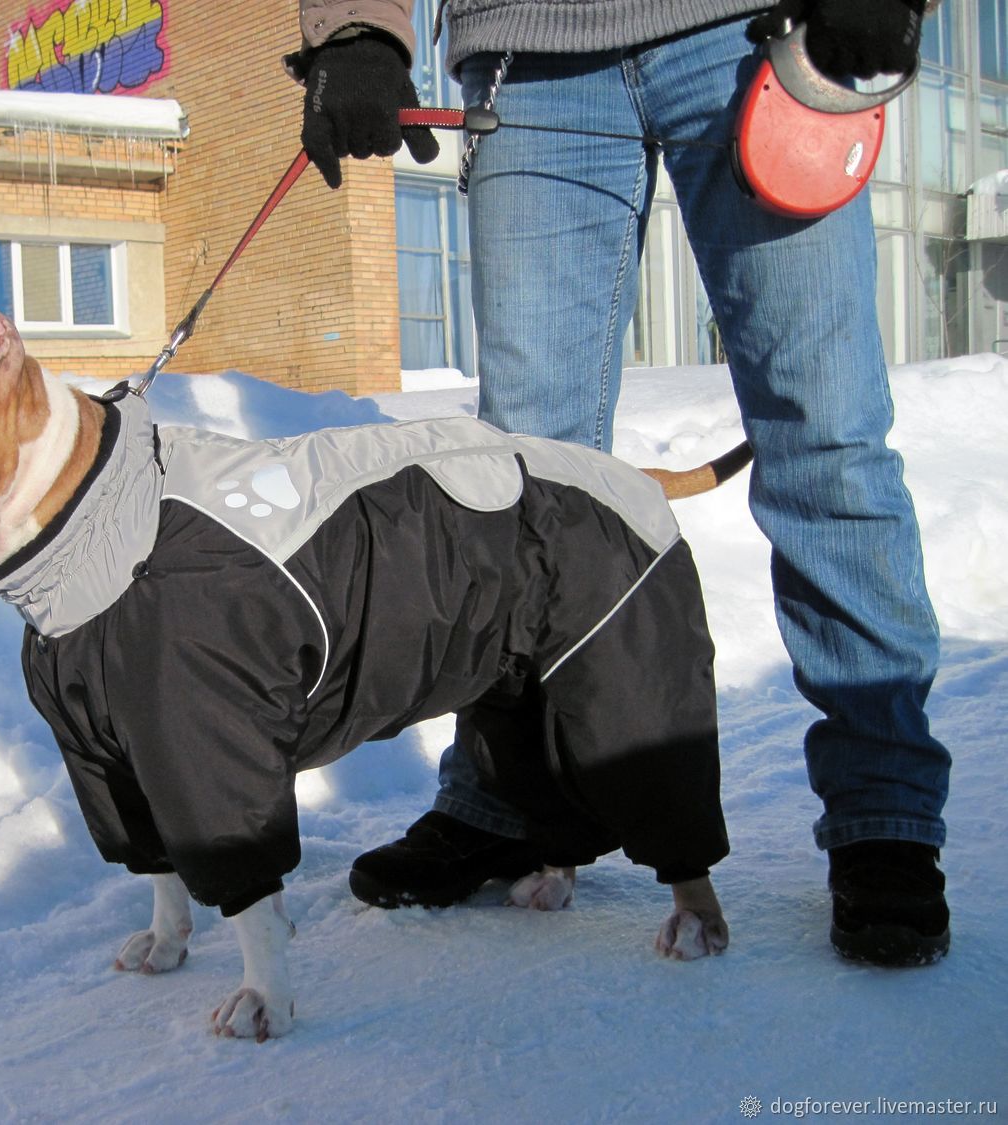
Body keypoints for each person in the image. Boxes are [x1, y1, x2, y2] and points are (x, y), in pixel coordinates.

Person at [285, 0, 950, 966]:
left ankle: (885, 813)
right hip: (530, 52)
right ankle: (511, 795)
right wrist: (357, 30)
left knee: (824, 430)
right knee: (521, 483)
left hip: (760, 31)